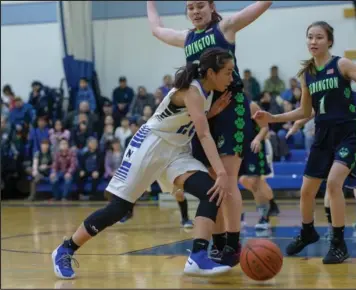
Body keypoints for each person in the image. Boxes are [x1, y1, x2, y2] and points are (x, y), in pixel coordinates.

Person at [51, 48, 237, 279]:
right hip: (150, 146)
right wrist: (220, 171)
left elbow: (186, 119)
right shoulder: (192, 90)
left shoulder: (207, 92)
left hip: (175, 151)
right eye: (228, 72)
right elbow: (204, 134)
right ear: (211, 72)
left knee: (211, 192)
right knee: (118, 209)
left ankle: (198, 257)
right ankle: (66, 248)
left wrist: (210, 113)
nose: (231, 78)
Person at [147, 0, 273, 267]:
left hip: (230, 110)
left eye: (200, 5)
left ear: (211, 6)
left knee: (226, 181)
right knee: (211, 183)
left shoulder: (225, 28)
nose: (195, 11)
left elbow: (260, 6)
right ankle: (217, 245)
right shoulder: (187, 38)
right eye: (190, 7)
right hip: (203, 113)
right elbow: (157, 29)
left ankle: (233, 243)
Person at [253, 21, 356, 264]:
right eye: (310, 37)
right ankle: (308, 231)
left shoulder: (341, 64)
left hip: (349, 133)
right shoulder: (307, 73)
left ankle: (338, 244)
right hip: (322, 135)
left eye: (319, 37)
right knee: (306, 191)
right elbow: (304, 111)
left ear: (329, 41)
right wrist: (273, 118)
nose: (313, 41)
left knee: (333, 184)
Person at [287, 92, 356, 247]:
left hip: (336, 147)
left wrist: (297, 124)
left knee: (332, 187)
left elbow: (310, 112)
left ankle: (332, 228)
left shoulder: (328, 97)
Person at [238, 101, 279, 230]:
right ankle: (271, 204)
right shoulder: (222, 105)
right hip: (238, 148)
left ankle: (264, 216)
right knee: (243, 181)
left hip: (256, 146)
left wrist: (257, 139)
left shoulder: (251, 105)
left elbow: (265, 127)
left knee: (256, 181)